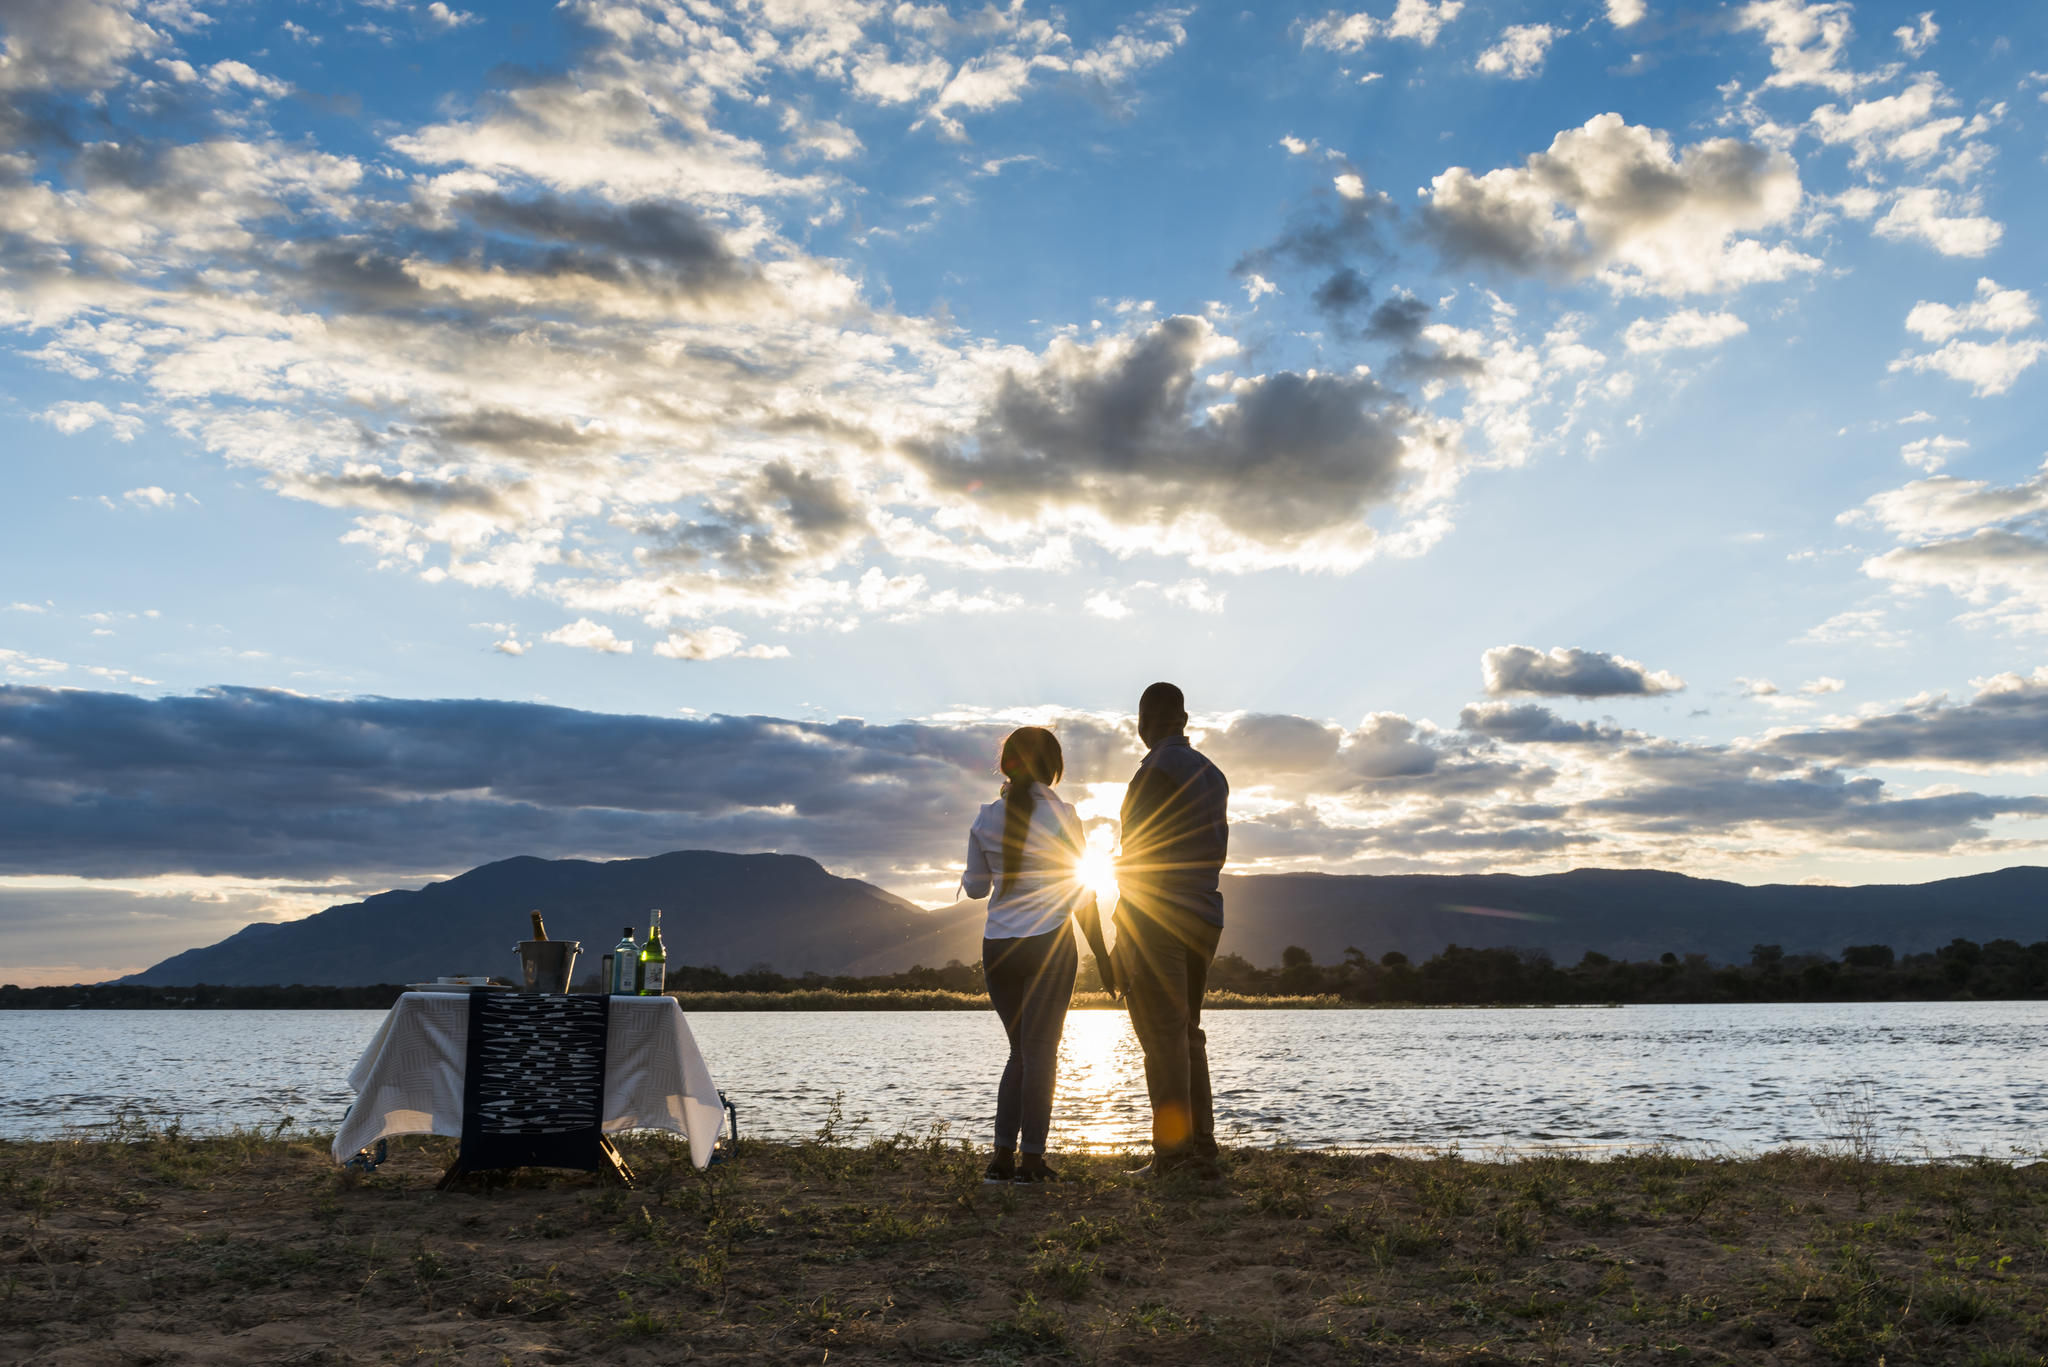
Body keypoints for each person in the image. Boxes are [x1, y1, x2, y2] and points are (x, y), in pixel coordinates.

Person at [959, 725, 1114, 1184]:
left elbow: (974, 889)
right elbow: (1081, 893)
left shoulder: (985, 818)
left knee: (1019, 1053)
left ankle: (1001, 1159)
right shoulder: (1065, 815)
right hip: (1049, 942)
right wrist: (1102, 958)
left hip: (999, 946)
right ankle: (1031, 1161)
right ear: (1054, 768)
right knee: (1041, 1053)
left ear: (1006, 766)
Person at [1111, 682, 1229, 1179]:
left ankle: (1173, 1155)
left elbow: (1138, 856)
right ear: (1183, 719)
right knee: (1187, 1032)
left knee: (1162, 1036)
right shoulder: (1212, 773)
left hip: (1158, 918)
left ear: (1146, 720)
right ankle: (1201, 1148)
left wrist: (1123, 932)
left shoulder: (1153, 772)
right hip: (1204, 914)